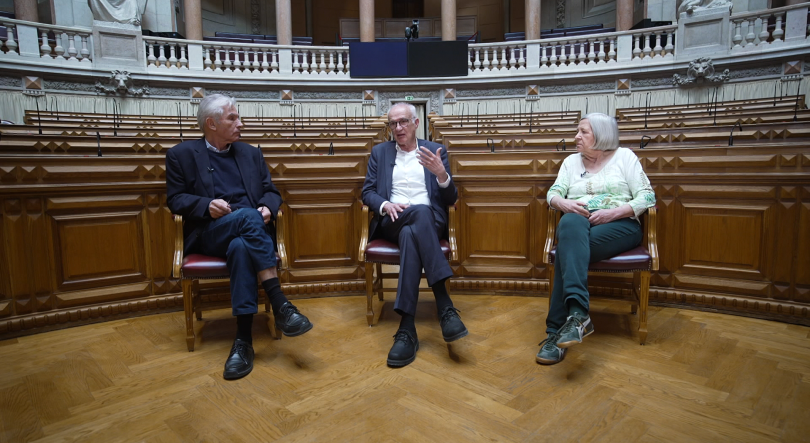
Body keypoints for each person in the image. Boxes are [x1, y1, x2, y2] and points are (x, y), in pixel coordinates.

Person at [166, 94, 313, 380]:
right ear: (211, 123)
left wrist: (267, 208)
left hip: (246, 234)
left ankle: (243, 341)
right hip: (210, 232)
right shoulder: (180, 155)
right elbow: (175, 199)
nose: (240, 124)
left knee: (242, 246)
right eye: (233, 118)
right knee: (247, 217)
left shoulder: (250, 154)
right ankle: (280, 301)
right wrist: (205, 206)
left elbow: (272, 192)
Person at [537, 113, 655, 365]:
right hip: (579, 224)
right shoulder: (570, 162)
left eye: (583, 132)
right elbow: (553, 193)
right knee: (568, 221)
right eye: (577, 131)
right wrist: (563, 202)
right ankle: (578, 316)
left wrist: (613, 212)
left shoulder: (625, 157)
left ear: (601, 135)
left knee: (567, 253)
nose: (576, 137)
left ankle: (554, 332)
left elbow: (647, 197)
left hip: (620, 225)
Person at [362, 103, 466, 367]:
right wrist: (386, 205)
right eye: (393, 124)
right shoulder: (380, 153)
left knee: (415, 225)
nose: (398, 128)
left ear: (416, 123)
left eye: (403, 122)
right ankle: (444, 305)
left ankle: (407, 328)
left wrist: (442, 175)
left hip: (429, 222)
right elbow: (368, 192)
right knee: (411, 220)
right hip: (392, 221)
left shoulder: (433, 151)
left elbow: (451, 197)